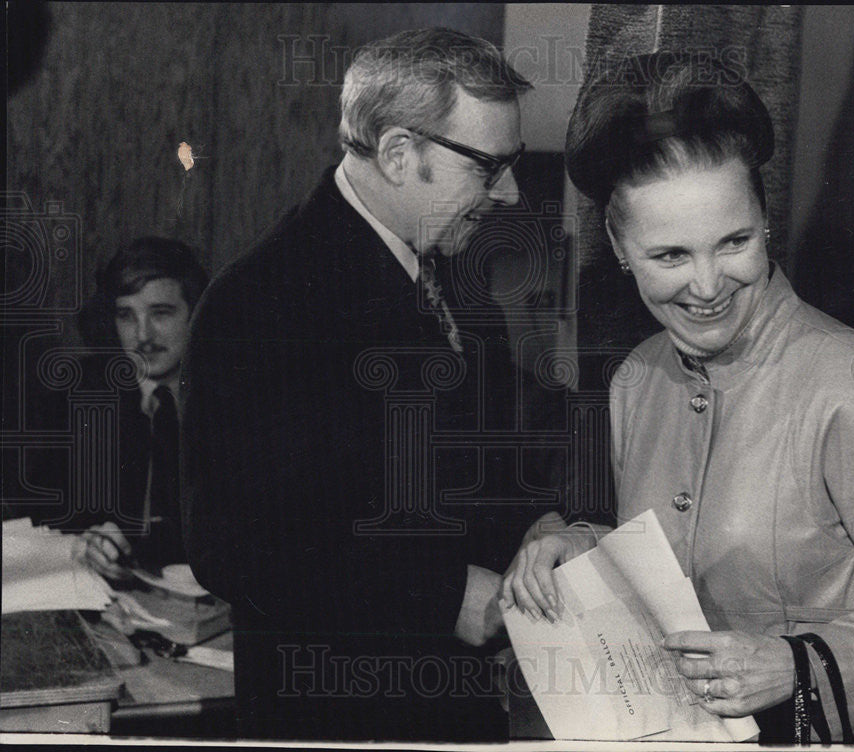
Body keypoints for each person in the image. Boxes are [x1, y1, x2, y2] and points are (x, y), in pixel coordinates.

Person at [502, 51, 854, 742]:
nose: (708, 284)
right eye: (670, 256)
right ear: (620, 246)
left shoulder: (852, 381)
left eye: (734, 242)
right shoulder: (635, 379)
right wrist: (578, 548)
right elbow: (670, 565)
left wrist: (795, 666)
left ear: (765, 221)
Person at [181, 27, 562, 741]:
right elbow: (231, 547)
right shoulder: (259, 301)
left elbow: (498, 446)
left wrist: (541, 519)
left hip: (460, 704)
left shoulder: (455, 267)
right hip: (335, 712)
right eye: (490, 167)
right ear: (396, 152)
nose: (509, 194)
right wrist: (441, 597)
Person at [32, 237, 208, 578]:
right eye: (126, 316)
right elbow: (46, 512)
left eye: (161, 313)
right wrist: (87, 542)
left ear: (196, 314)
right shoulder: (77, 395)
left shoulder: (229, 404)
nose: (143, 335)